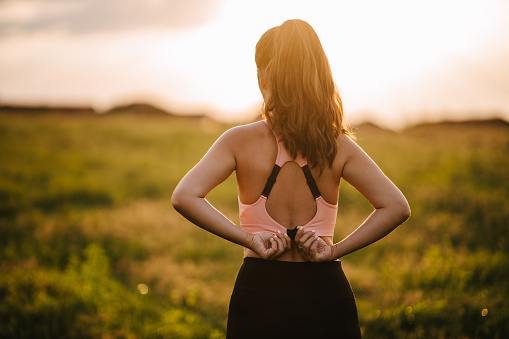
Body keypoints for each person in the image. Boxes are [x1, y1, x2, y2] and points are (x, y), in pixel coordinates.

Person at [172, 19, 410, 338]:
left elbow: (184, 196)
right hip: (326, 292)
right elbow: (396, 206)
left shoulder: (238, 141)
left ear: (263, 77)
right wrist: (333, 250)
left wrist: (250, 239)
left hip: (259, 289)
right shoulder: (337, 145)